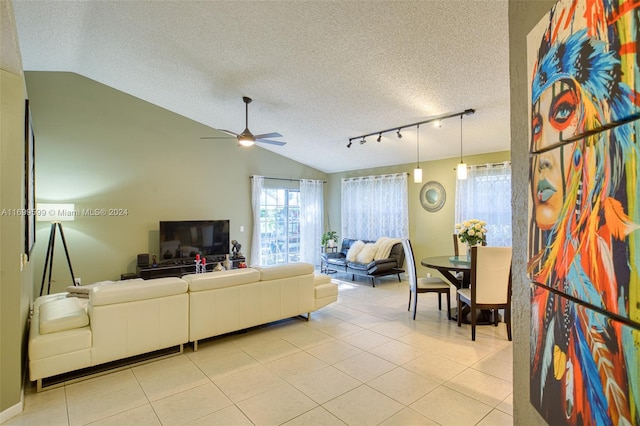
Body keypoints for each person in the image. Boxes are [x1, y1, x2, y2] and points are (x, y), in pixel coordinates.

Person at [527, 0, 639, 424]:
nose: (540, 155)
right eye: (536, 127)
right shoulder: (546, 279)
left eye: (562, 112)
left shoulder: (609, 275)